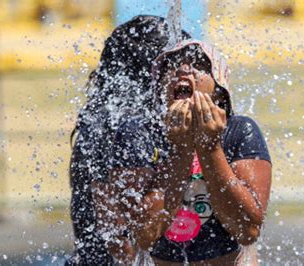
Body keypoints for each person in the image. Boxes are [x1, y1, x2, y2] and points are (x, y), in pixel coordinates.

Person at [95, 40, 272, 264]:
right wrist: (181, 150)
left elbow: (248, 230)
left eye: (199, 64)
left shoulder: (239, 131)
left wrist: (210, 148)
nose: (183, 69)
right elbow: (144, 236)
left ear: (219, 91)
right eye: (172, 65)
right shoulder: (138, 134)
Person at [67, 15, 190, 265]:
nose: (188, 73)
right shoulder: (113, 125)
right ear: (154, 69)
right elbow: (119, 238)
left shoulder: (101, 119)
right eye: (177, 63)